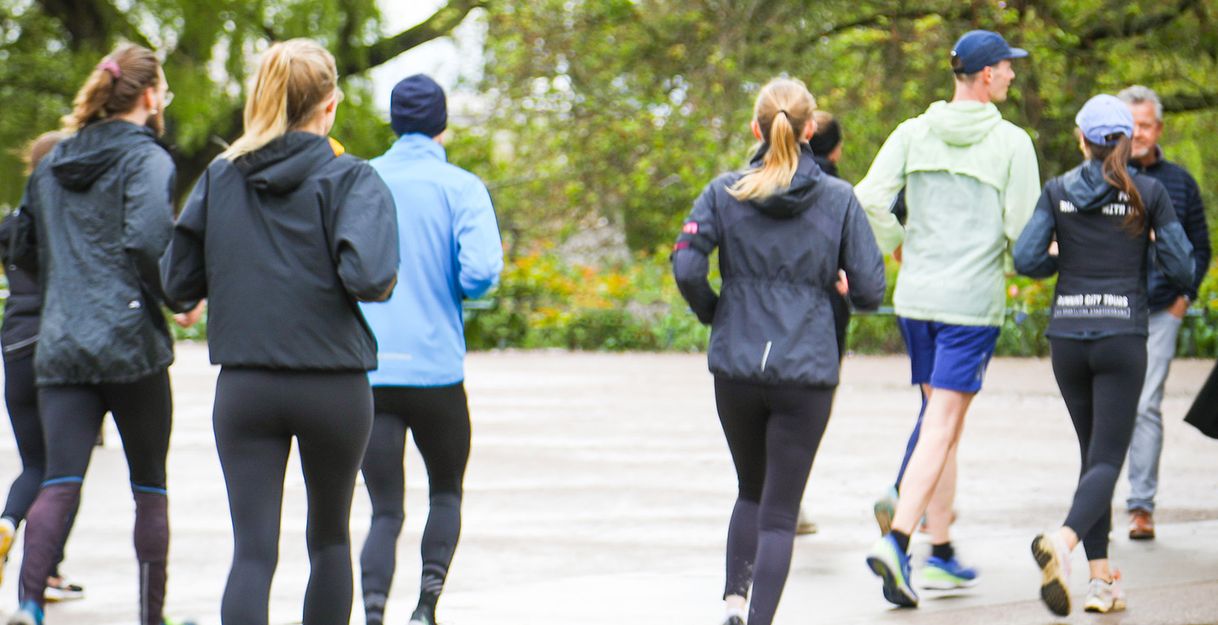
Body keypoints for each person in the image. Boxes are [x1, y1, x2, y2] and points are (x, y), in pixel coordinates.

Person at [161, 39, 399, 625]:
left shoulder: (220, 178)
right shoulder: (351, 178)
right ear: (330, 106)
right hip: (332, 386)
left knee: (252, 552)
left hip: (246, 387)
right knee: (330, 542)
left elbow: (176, 285)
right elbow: (371, 279)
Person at [672, 77, 886, 625]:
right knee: (779, 514)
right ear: (811, 129)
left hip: (737, 364)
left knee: (749, 490)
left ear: (755, 128)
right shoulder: (839, 199)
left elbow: (688, 266)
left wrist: (715, 311)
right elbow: (870, 289)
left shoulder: (723, 191)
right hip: (807, 367)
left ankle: (733, 604)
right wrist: (840, 291)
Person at [6, 44, 199, 625]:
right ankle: (151, 617)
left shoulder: (50, 165)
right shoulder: (149, 161)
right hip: (131, 346)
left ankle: (29, 605)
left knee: (59, 479)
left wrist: (69, 292)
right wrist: (178, 299)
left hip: (60, 344)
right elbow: (146, 241)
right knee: (150, 488)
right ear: (148, 95)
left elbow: (23, 247)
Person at [854, 29, 1040, 605]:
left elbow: (867, 200)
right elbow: (1023, 232)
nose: (1012, 75)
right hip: (969, 305)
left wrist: (902, 246)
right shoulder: (1012, 144)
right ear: (986, 75)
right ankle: (900, 541)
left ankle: (941, 551)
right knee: (942, 424)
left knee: (944, 425)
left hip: (917, 299)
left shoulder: (913, 132)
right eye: (1007, 68)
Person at [1014, 94, 1194, 616]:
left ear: (1082, 140)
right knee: (1109, 459)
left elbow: (1027, 259)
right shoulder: (1149, 193)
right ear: (1126, 141)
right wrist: (1155, 240)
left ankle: (1101, 582)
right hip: (1122, 338)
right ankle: (1064, 542)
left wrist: (1065, 254)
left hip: (1068, 338)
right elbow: (1183, 271)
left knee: (1094, 457)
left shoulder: (1058, 191)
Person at [356, 73, 503, 625]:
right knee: (445, 493)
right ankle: (424, 607)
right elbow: (482, 270)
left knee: (384, 510)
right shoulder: (461, 187)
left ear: (393, 122)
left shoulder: (361, 179)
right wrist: (459, 289)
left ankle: (372, 613)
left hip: (370, 372)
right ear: (442, 125)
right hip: (437, 373)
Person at [1116, 85, 1211, 540]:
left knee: (1146, 405)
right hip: (1110, 309)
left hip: (1159, 312)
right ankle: (1094, 505)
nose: (1138, 133)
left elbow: (1200, 247)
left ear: (1160, 128)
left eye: (1146, 124)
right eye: (1131, 124)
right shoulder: (1101, 175)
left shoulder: (1180, 181)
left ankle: (1140, 506)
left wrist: (1182, 300)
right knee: (1107, 408)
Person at [0, 131, 87, 604]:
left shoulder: (13, 223)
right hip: (55, 347)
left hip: (13, 345)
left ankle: (7, 524)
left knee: (33, 462)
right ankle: (47, 571)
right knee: (62, 471)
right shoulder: (67, 224)